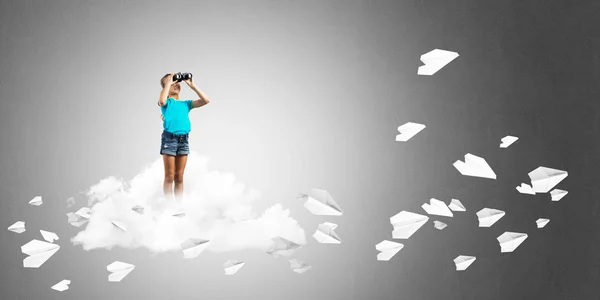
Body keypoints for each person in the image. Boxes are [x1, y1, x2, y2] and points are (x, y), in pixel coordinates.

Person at [158, 72, 210, 201]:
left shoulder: (186, 104)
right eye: (172, 83)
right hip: (169, 140)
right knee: (169, 176)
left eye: (177, 83)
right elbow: (162, 100)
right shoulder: (166, 103)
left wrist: (192, 85)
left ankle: (178, 207)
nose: (176, 85)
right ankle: (169, 206)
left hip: (183, 140)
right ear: (166, 87)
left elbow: (206, 100)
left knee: (179, 177)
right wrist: (169, 81)